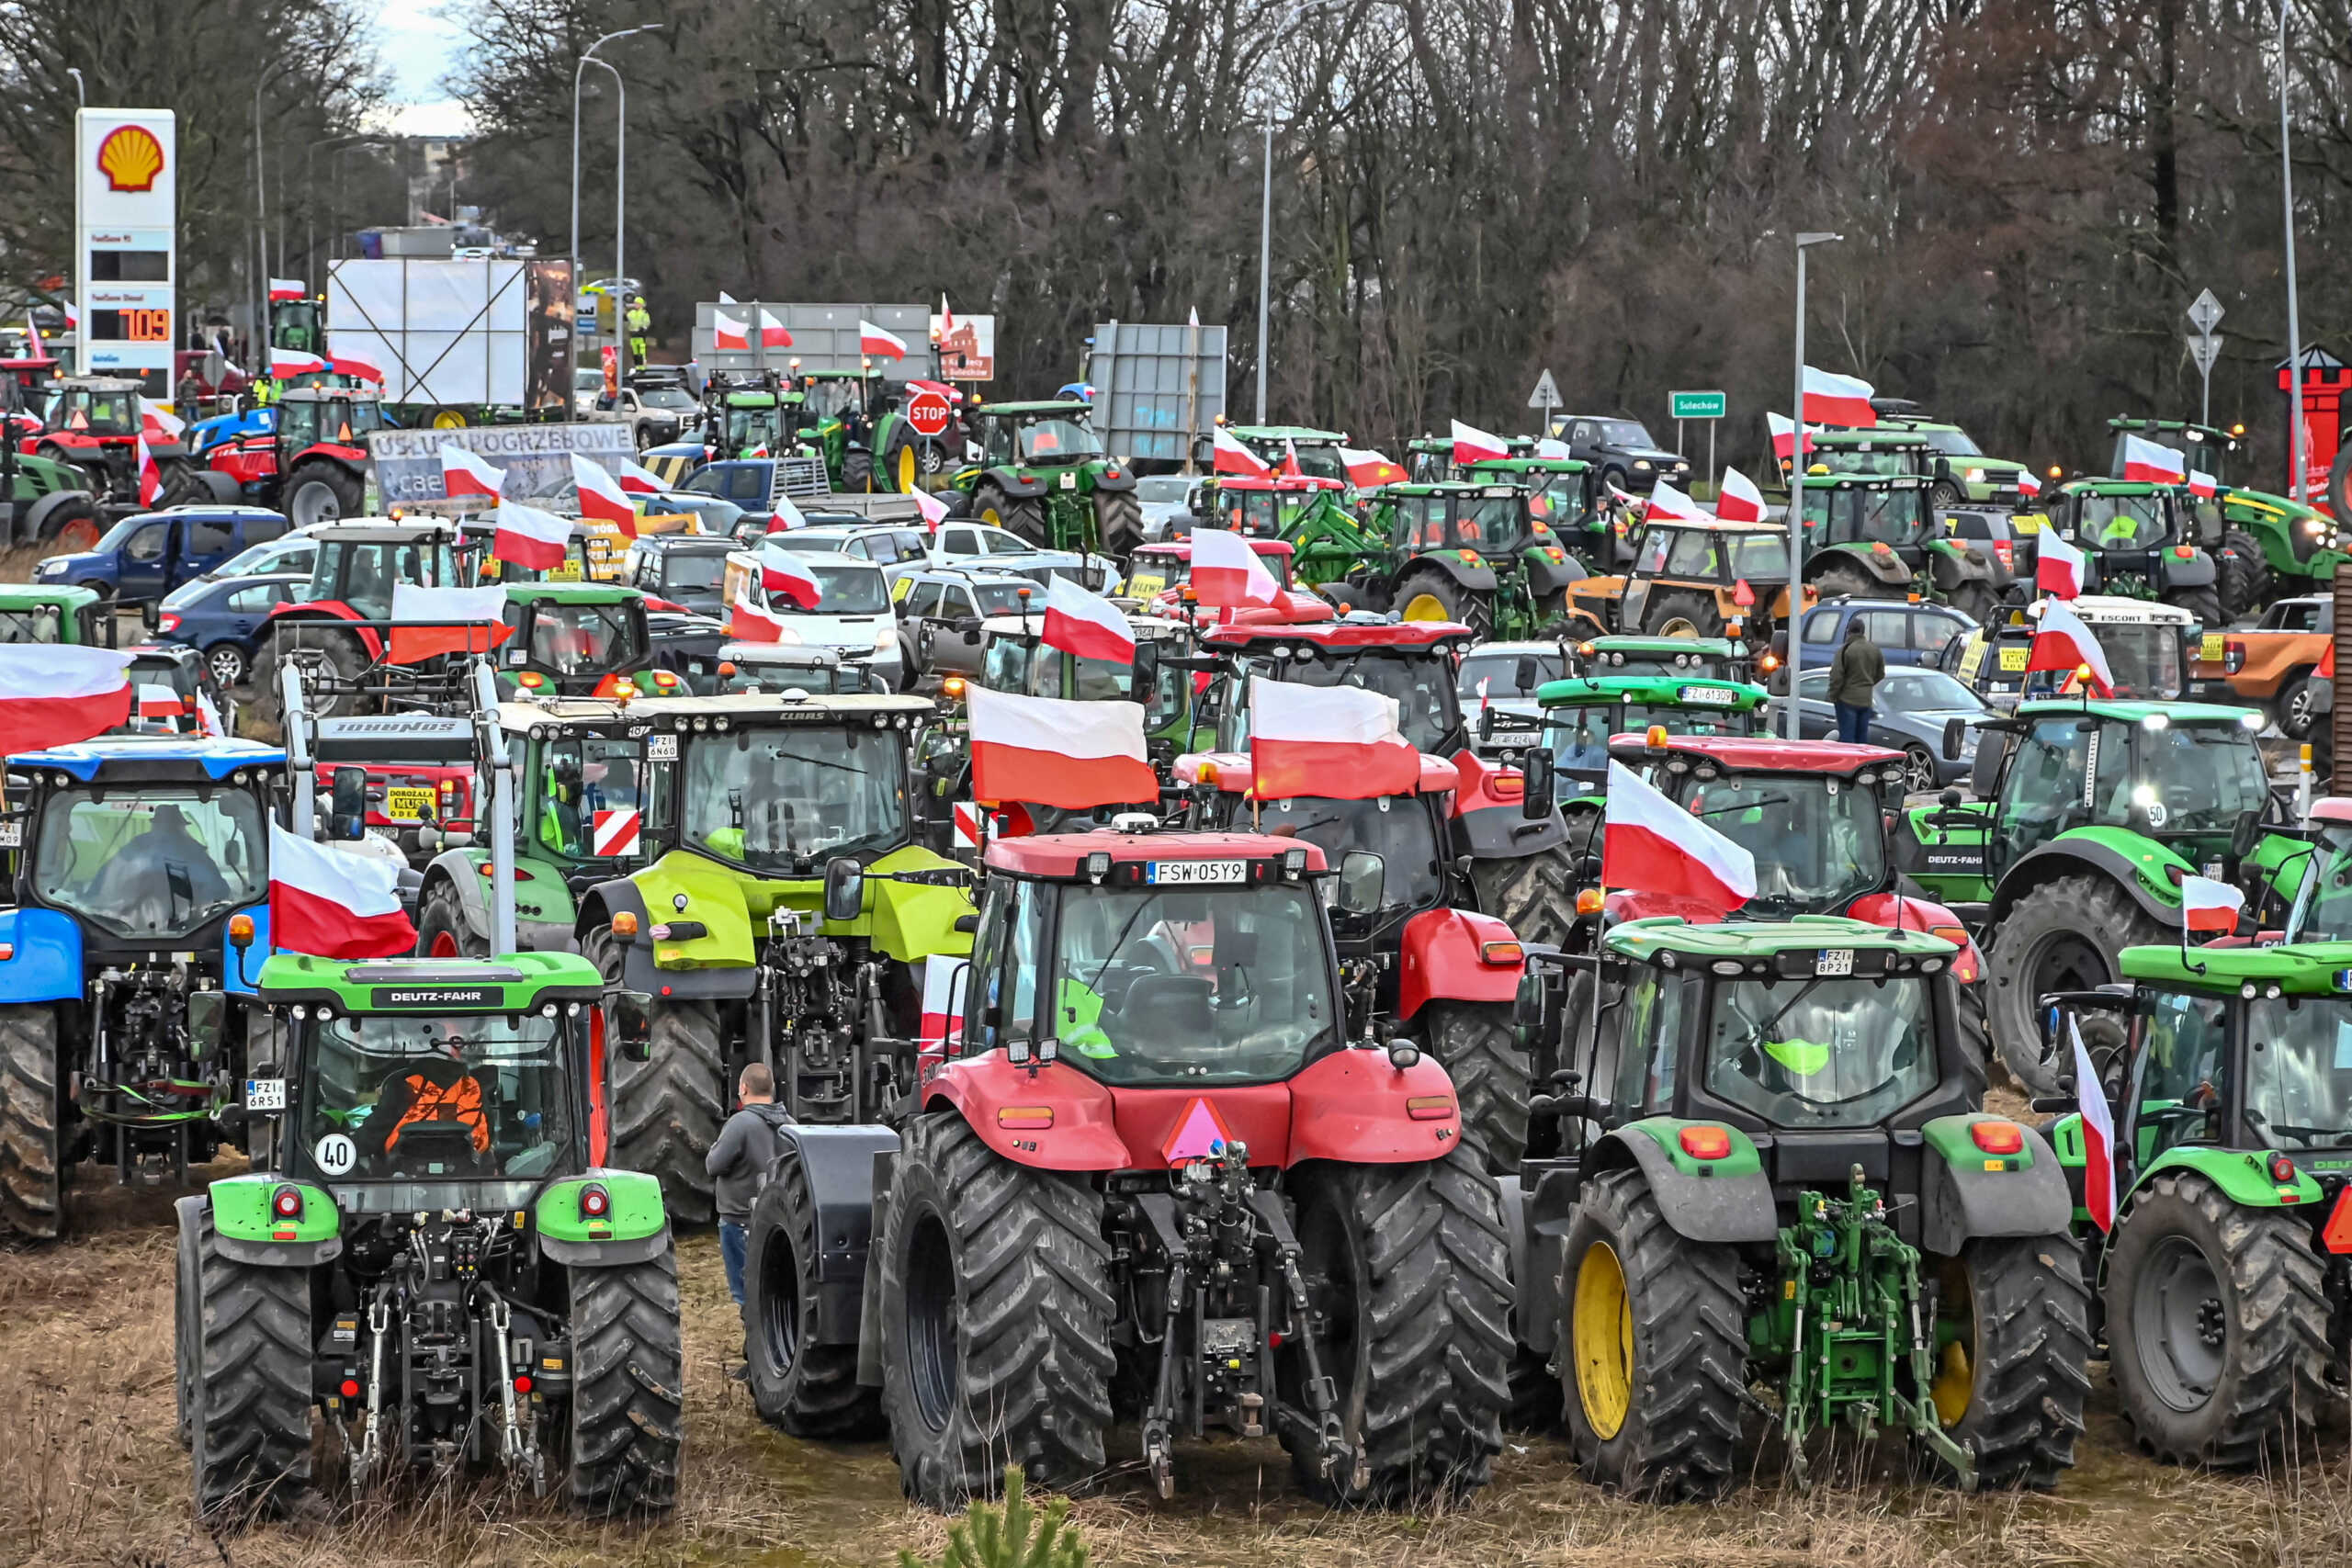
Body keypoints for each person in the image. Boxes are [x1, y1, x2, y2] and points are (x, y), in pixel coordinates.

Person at [707, 1063, 792, 1311]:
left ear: (743, 1088)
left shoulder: (739, 1124)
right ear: (772, 1088)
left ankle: (752, 1341)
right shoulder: (790, 1124)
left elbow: (714, 1165)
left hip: (739, 1221)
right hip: (780, 1223)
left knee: (747, 1292)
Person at [362, 1026, 489, 1167]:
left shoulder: (405, 1085)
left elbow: (371, 1138)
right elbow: (488, 1136)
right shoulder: (471, 1087)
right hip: (466, 1175)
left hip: (402, 1177)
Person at [1829, 617, 1884, 745]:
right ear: (1863, 631)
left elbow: (1836, 676)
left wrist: (1833, 695)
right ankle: (1862, 764)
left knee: (1847, 740)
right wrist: (1867, 683)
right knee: (1862, 739)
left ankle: (1849, 764)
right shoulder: (1874, 650)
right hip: (1866, 700)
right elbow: (1881, 674)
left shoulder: (1844, 650)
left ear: (1848, 631)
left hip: (1846, 700)